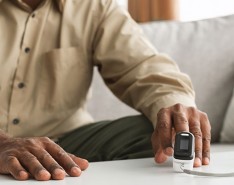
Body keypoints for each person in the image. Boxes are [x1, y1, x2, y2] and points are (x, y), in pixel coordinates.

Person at [0, 0, 211, 181]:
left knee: (157, 131)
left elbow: (141, 66)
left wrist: (176, 107)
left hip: (65, 141)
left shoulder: (95, 5)